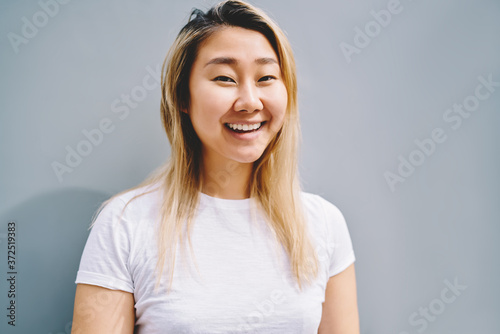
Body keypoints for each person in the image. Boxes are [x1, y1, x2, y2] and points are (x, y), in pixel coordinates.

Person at [71, 1, 359, 333]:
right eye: (224, 78)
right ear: (182, 96)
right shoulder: (125, 223)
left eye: (266, 77)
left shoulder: (323, 224)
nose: (250, 101)